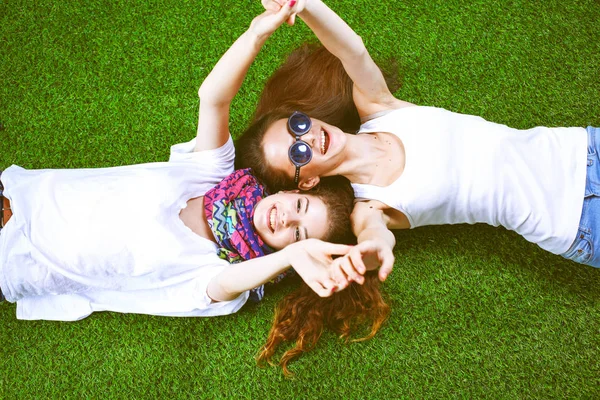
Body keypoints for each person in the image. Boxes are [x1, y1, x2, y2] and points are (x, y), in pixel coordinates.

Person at [0, 4, 357, 321]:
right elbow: (213, 99)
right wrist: (256, 33)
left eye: (298, 233)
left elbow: (224, 284)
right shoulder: (212, 175)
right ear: (295, 189)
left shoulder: (224, 273)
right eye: (299, 206)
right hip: (19, 196)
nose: (287, 218)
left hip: (15, 261)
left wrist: (294, 256)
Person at [237, 0, 598, 284]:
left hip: (582, 149)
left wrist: (307, 6)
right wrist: (371, 251)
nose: (309, 137)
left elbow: (352, 52)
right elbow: (375, 238)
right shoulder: (370, 207)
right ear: (307, 182)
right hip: (575, 221)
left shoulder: (379, 107)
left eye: (297, 125)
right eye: (298, 151)